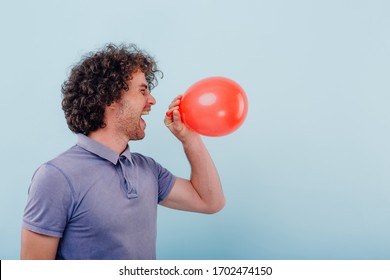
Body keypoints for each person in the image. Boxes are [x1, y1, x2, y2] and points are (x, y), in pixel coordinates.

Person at [21, 43, 225, 260]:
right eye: (142, 91)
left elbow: (210, 201)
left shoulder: (148, 169)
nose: (152, 100)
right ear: (110, 100)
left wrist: (189, 138)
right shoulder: (56, 177)